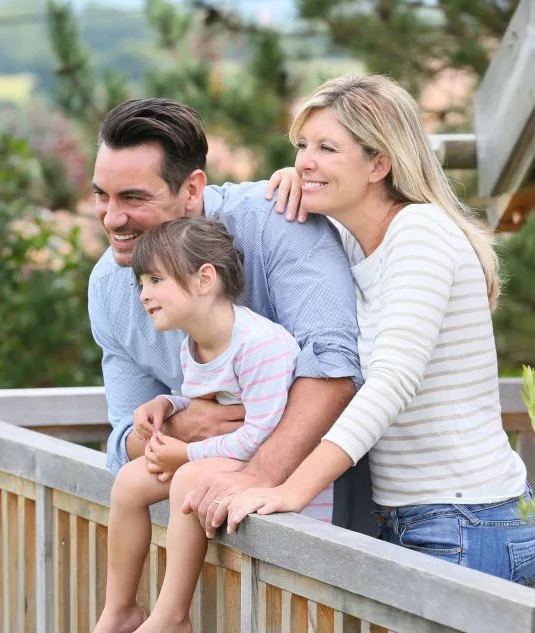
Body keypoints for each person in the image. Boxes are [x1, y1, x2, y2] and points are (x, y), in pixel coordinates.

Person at [224, 74, 535, 587]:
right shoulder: (356, 241)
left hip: (469, 523)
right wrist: (300, 175)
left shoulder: (421, 236)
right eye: (302, 146)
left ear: (379, 163)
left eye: (328, 147)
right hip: (412, 520)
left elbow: (391, 383)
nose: (306, 159)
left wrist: (290, 489)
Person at [88, 98, 374, 540]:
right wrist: (182, 426)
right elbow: (124, 439)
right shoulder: (108, 286)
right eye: (101, 196)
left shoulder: (278, 220)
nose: (112, 218)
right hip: (209, 529)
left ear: (192, 189)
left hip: (331, 528)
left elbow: (334, 366)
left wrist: (256, 475)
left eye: (133, 198)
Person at [94, 217, 333, 633]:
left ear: (205, 278)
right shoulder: (195, 344)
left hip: (277, 470)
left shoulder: (261, 344)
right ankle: (121, 610)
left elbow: (265, 437)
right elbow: (210, 400)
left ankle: (171, 617)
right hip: (230, 457)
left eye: (155, 280)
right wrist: (166, 404)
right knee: (130, 483)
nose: (144, 295)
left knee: (187, 478)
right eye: (141, 284)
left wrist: (186, 453)